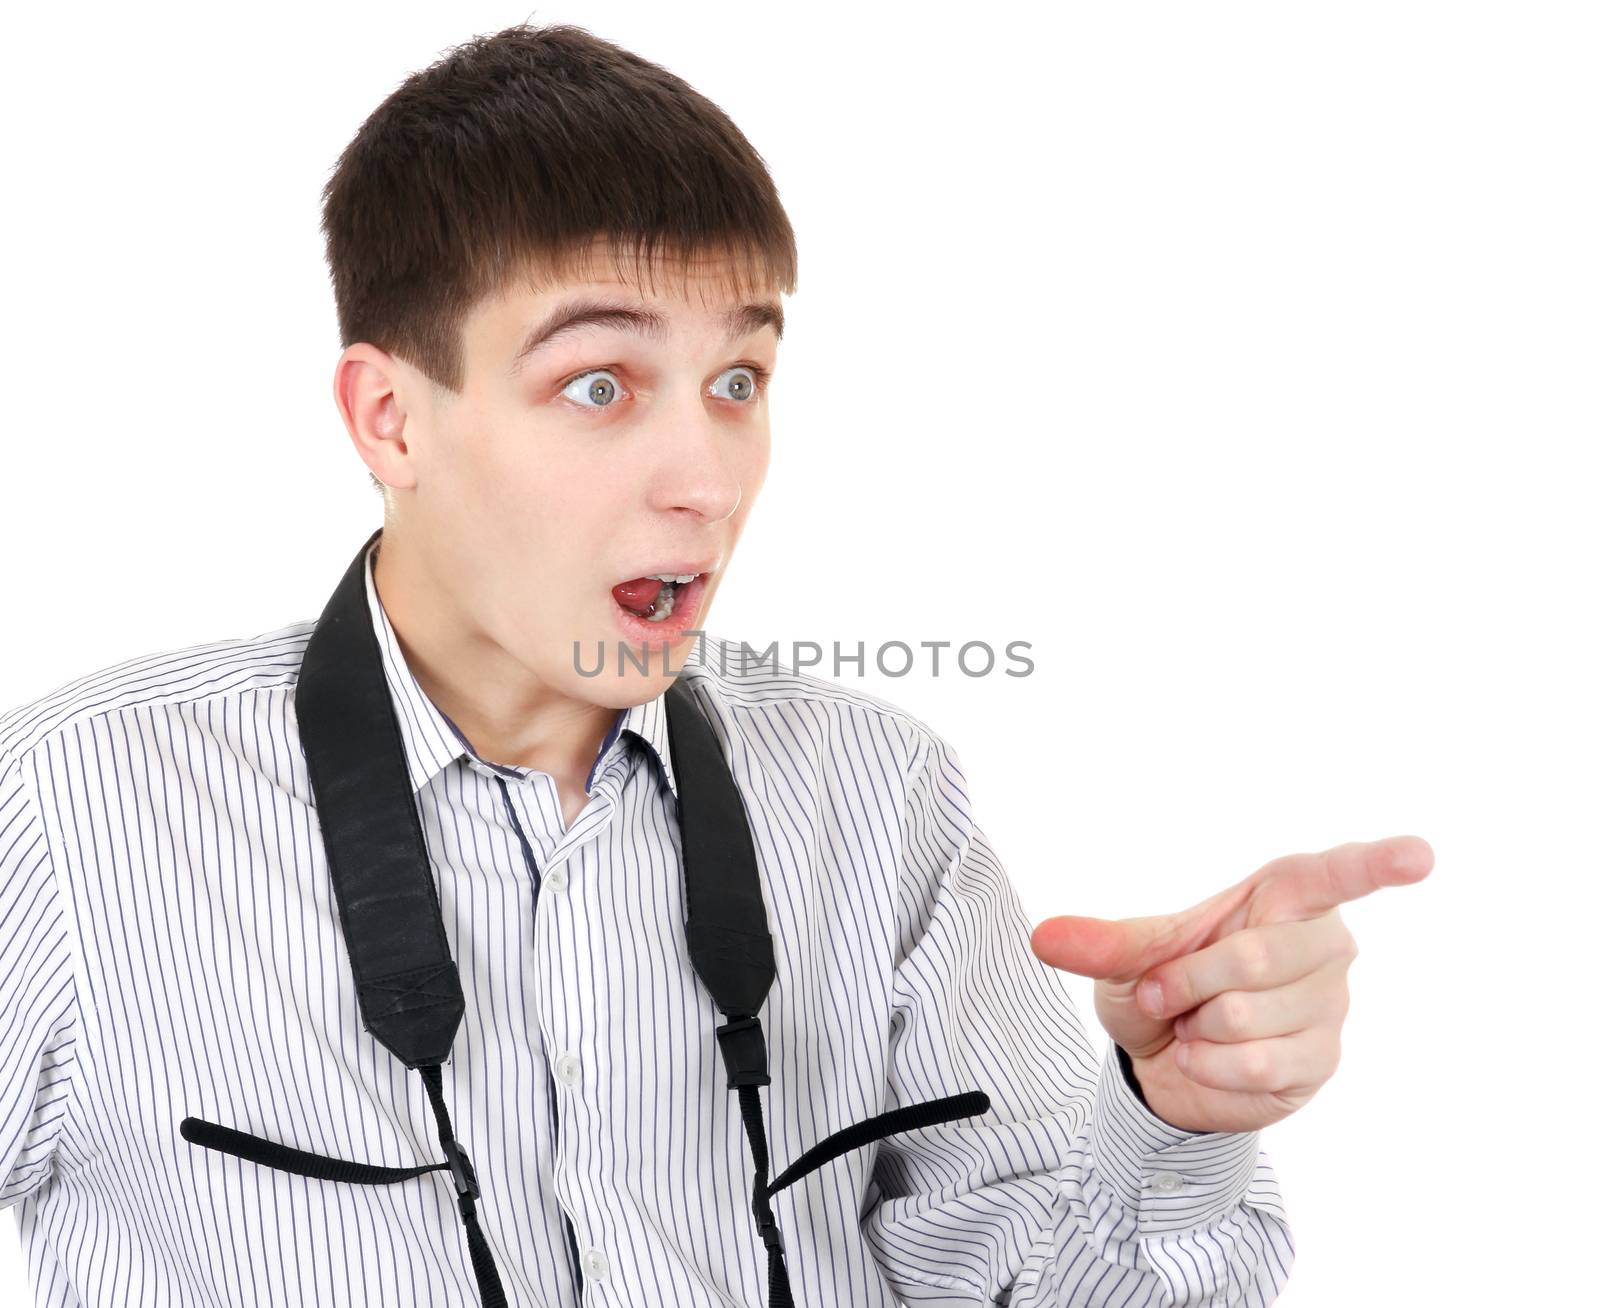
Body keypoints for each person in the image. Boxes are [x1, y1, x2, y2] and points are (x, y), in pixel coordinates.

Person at [0, 22, 1431, 1307]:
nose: (706, 479)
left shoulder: (881, 803)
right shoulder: (71, 809)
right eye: (600, 384)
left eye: (739, 381)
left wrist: (1174, 1117)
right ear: (390, 420)